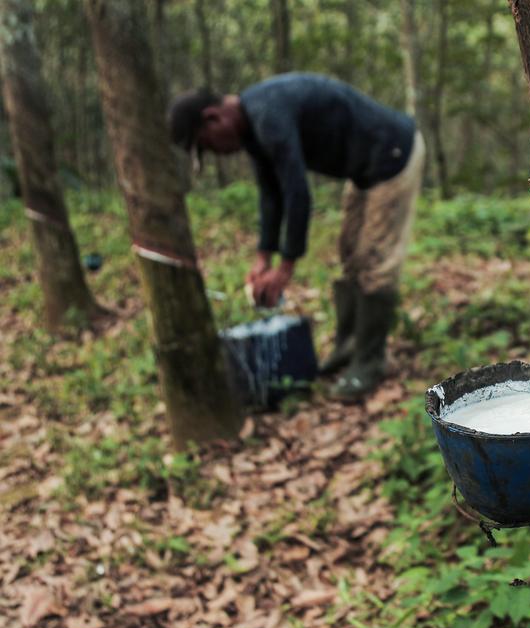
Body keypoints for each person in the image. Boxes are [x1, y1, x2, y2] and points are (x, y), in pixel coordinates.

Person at [168, 73, 425, 400]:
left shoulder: (268, 114)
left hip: (393, 154)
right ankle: (349, 345)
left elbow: (296, 191)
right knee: (350, 253)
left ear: (213, 117)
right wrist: (264, 258)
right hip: (365, 170)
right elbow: (270, 193)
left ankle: (370, 362)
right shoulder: (253, 125)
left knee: (375, 261)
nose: (216, 152)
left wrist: (286, 267)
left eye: (207, 143)